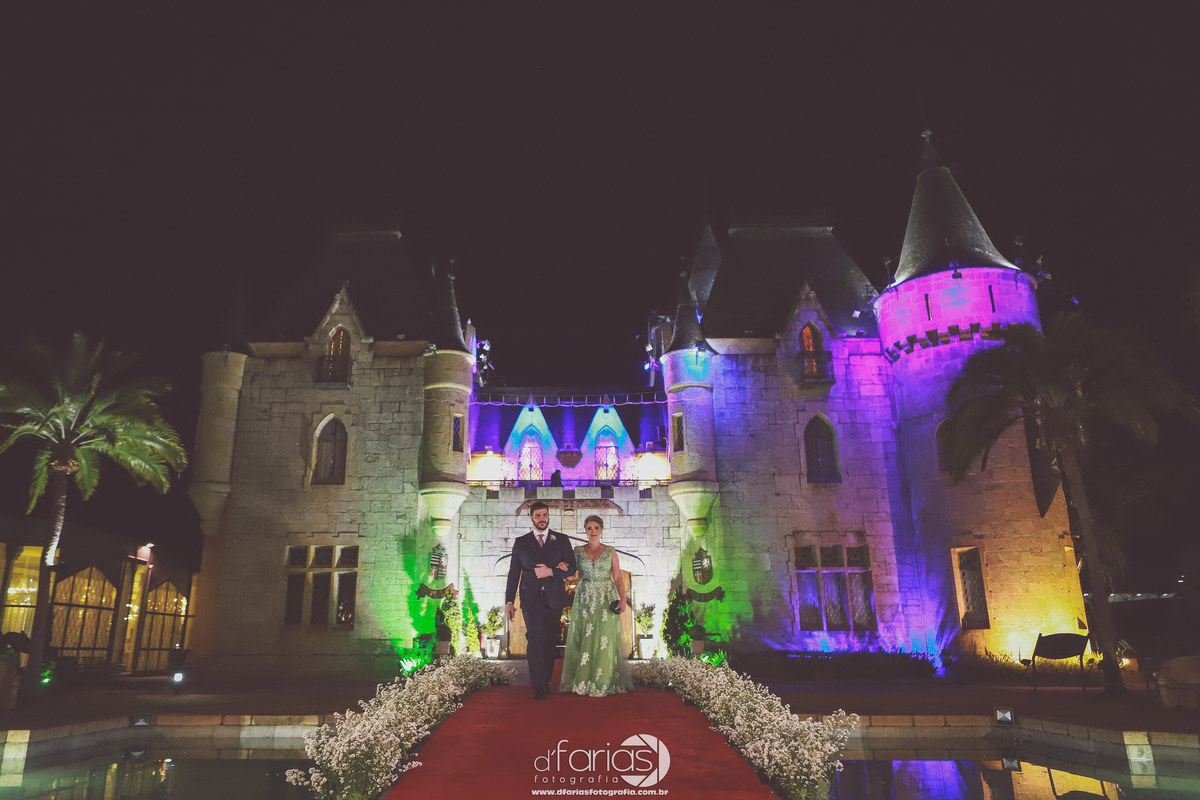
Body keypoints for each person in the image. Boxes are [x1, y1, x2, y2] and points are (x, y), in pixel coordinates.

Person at [506, 501, 577, 700]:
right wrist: (509, 601)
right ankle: (539, 685)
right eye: (538, 515)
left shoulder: (561, 540)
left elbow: (572, 568)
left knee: (549, 641)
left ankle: (545, 680)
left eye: (545, 515)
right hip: (531, 598)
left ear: (548, 516)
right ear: (532, 517)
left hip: (554, 598)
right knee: (536, 639)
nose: (542, 518)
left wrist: (551, 571)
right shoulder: (521, 542)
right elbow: (514, 573)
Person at [560, 514, 632, 696]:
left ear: (601, 530)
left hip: (606, 597)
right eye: (589, 528)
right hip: (585, 597)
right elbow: (571, 576)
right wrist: (562, 567)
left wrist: (623, 599)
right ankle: (583, 679)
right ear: (585, 530)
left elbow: (617, 577)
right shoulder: (577, 551)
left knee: (604, 636)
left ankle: (603, 680)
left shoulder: (610, 551)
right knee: (585, 634)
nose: (593, 531)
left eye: (596, 528)